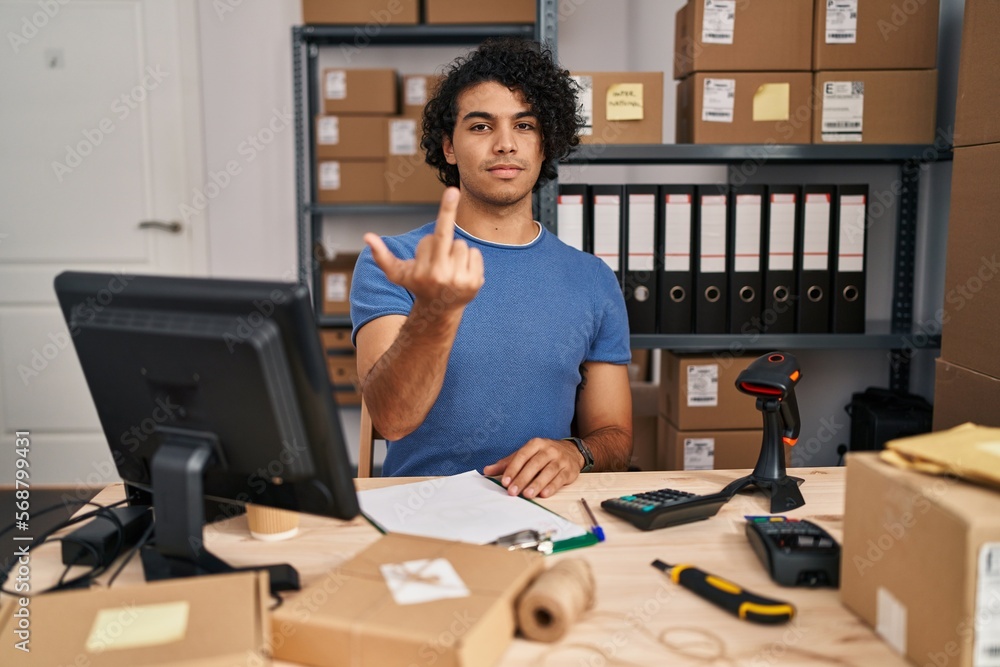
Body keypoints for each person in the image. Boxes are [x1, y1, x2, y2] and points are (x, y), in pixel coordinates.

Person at [351, 37, 632, 499]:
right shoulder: (395, 260)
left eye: (524, 125)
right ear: (449, 147)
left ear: (546, 145)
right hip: (423, 513)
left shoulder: (593, 278)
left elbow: (616, 437)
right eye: (481, 126)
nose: (505, 144)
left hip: (547, 514)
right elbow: (392, 419)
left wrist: (575, 452)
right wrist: (436, 311)